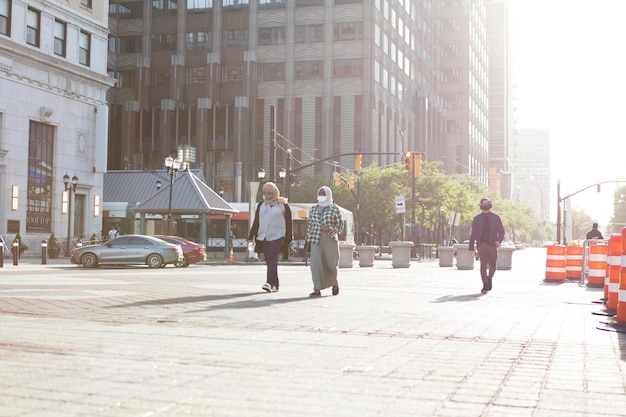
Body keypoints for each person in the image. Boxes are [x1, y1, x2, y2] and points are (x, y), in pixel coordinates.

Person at [247, 182, 293, 293]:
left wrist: (288, 239)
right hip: (264, 236)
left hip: (278, 235)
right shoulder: (261, 205)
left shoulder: (283, 205)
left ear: (275, 192)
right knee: (269, 260)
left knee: (272, 257)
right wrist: (251, 236)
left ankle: (269, 282)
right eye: (265, 192)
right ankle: (275, 285)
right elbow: (256, 222)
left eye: (270, 192)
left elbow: (289, 223)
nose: (267, 194)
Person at [305, 186, 344, 297]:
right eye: (320, 193)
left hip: (329, 239)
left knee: (331, 264)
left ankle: (334, 283)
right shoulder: (312, 209)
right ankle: (317, 288)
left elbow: (340, 226)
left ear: (328, 195)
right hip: (315, 239)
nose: (321, 195)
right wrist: (308, 240)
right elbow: (309, 225)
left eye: (324, 194)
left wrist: (330, 229)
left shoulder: (334, 208)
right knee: (315, 264)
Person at [468, 198, 505, 294]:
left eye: (486, 203)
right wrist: (471, 247)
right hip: (481, 245)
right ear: (480, 205)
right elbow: (473, 234)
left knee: (493, 266)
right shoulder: (476, 219)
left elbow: (501, 231)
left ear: (490, 204)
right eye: (483, 203)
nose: (485, 204)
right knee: (483, 265)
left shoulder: (496, 218)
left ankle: (489, 279)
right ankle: (484, 285)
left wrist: (499, 241)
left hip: (492, 245)